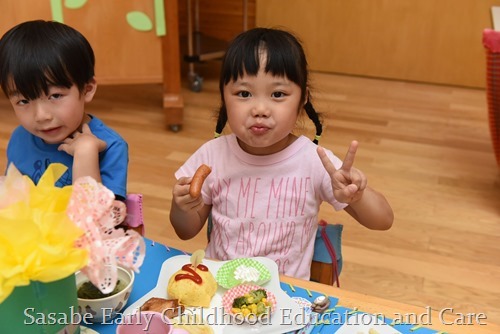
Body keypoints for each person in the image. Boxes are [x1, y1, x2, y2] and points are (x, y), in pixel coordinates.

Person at [170, 27, 393, 280]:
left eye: (278, 94)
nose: (260, 109)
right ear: (223, 96)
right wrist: (182, 207)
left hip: (286, 296)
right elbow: (185, 231)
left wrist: (358, 196)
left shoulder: (315, 161)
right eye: (244, 94)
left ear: (302, 100)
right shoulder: (211, 156)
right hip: (220, 288)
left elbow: (383, 220)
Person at [0, 20, 128, 200]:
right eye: (23, 100)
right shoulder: (20, 138)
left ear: (87, 89)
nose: (41, 116)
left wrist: (86, 153)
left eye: (55, 96)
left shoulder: (110, 146)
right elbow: (12, 202)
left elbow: (99, 219)